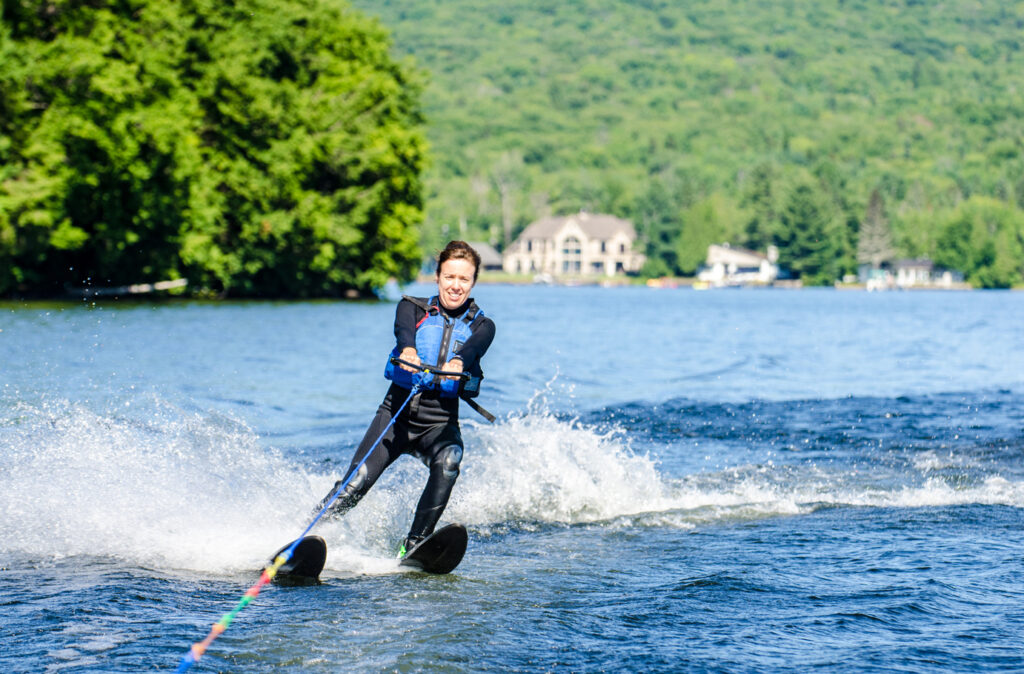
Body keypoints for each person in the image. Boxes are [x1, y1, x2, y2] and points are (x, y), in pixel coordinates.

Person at [317, 241, 496, 556]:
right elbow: (404, 334)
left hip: (439, 424)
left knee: (450, 459)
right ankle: (307, 534)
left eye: (464, 279)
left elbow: (474, 348)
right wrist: (409, 352)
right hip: (396, 417)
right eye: (449, 277)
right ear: (437, 277)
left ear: (473, 283)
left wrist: (457, 363)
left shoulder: (483, 326)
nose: (456, 286)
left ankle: (413, 545)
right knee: (356, 482)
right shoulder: (410, 308)